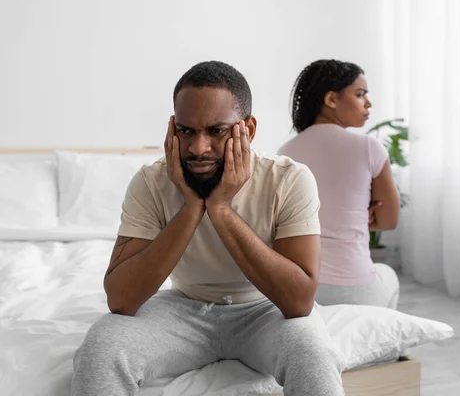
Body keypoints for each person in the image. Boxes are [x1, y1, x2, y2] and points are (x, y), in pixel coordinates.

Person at [71, 61, 344, 396]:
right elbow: (121, 299)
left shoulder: (288, 179)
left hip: (265, 309)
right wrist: (190, 208)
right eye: (186, 131)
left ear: (249, 129)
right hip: (185, 306)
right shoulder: (150, 182)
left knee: (313, 353)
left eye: (217, 131)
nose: (198, 149)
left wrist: (221, 208)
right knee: (103, 345)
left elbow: (299, 302)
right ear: (172, 128)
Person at [278, 59, 401, 309]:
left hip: (303, 290)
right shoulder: (368, 148)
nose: (368, 103)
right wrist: (362, 214)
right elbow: (389, 221)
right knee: (388, 275)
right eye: (360, 94)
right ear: (332, 99)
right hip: (357, 288)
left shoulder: (285, 152)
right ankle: (387, 344)